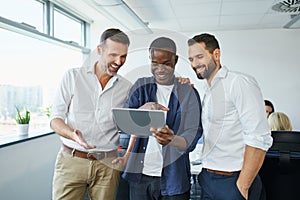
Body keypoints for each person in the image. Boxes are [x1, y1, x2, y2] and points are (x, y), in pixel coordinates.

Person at [187, 33, 273, 200]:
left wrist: (242, 186)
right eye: (191, 59)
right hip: (207, 178)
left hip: (232, 181)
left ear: (216, 54)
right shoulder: (208, 91)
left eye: (199, 56)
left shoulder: (238, 83)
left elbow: (259, 138)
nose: (195, 64)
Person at [50, 28, 132, 200]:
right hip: (72, 160)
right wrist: (72, 135)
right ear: (100, 50)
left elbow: (136, 122)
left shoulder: (126, 87)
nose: (119, 61)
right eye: (113, 55)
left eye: (123, 56)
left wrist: (178, 82)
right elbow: (55, 119)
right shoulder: (72, 76)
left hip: (108, 165)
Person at [117, 37, 203, 200]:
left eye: (166, 63)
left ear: (175, 60)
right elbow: (124, 122)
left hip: (174, 179)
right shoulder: (140, 87)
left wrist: (172, 140)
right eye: (154, 63)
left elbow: (193, 134)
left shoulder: (188, 93)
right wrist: (144, 109)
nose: (160, 69)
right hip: (140, 177)